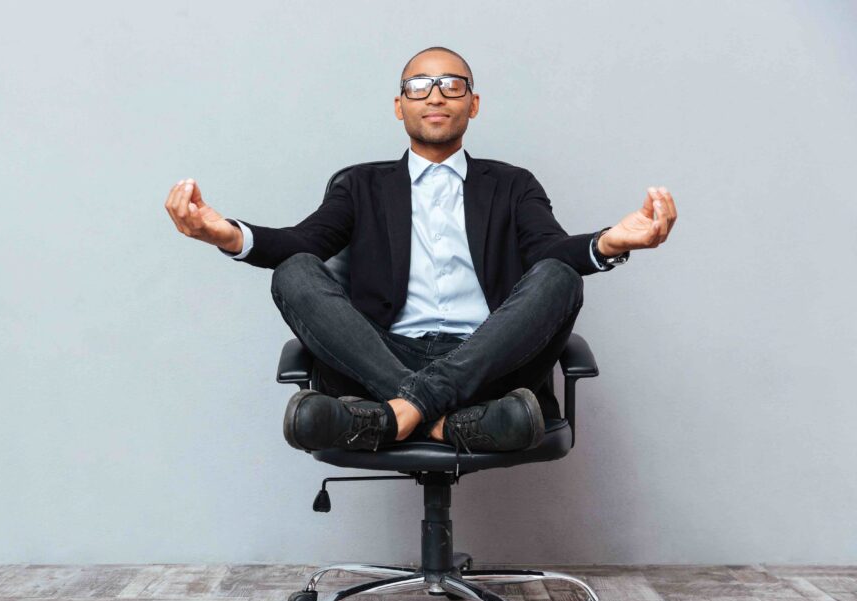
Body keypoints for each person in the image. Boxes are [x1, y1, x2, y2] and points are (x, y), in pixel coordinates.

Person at [165, 46, 678, 460]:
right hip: (386, 354)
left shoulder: (513, 184)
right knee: (295, 271)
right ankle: (445, 423)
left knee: (560, 276)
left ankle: (389, 418)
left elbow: (550, 250)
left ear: (472, 104)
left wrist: (609, 243)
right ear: (399, 105)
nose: (436, 95)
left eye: (452, 85)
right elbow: (302, 244)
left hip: (487, 358)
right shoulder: (361, 185)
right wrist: (227, 234)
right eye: (419, 86)